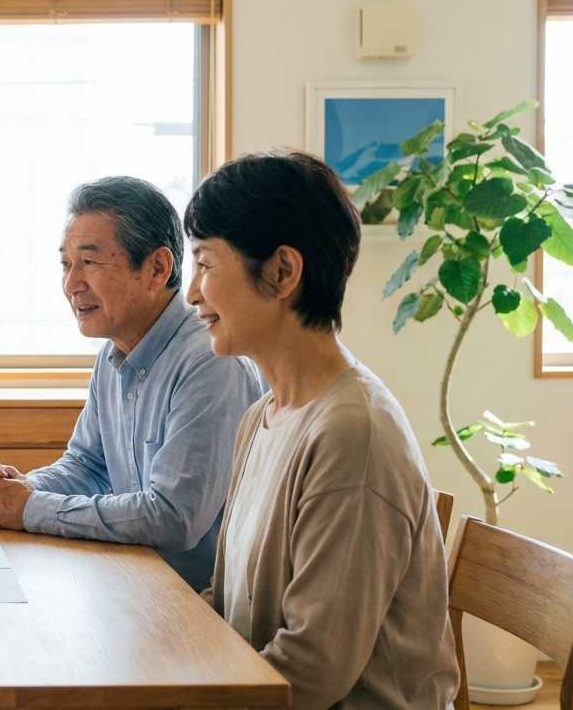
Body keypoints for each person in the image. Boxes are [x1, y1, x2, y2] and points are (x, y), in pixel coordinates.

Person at [184, 150, 459, 707]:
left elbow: (310, 673)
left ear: (283, 271)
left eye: (206, 265)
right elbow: (226, 605)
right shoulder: (261, 419)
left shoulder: (354, 434)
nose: (192, 293)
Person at [0, 177, 264, 591]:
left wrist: (30, 508)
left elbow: (174, 518)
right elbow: (88, 465)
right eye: (66, 264)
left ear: (157, 268)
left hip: (199, 612)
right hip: (129, 585)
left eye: (90, 263)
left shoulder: (210, 361)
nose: (71, 285)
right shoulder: (113, 353)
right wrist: (21, 489)